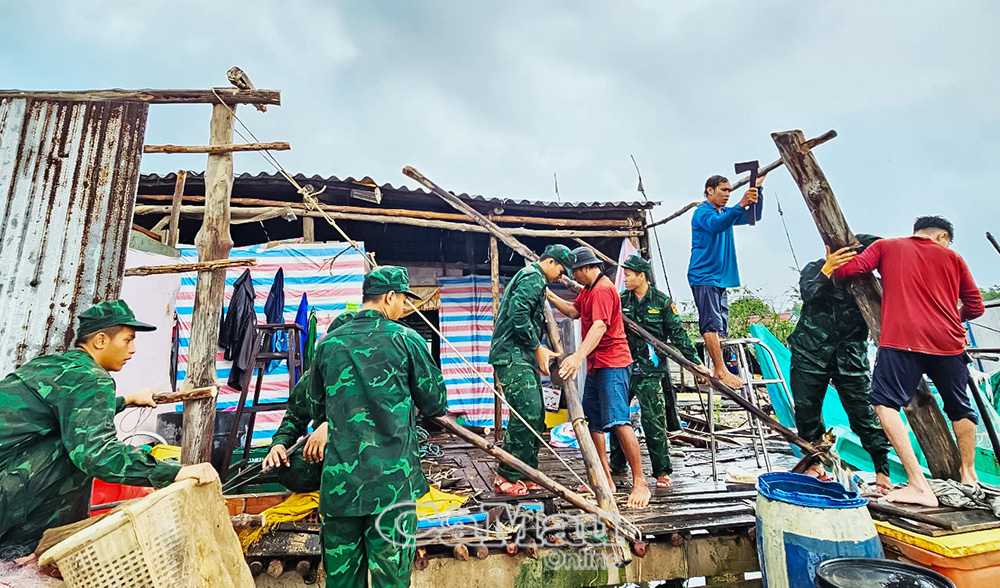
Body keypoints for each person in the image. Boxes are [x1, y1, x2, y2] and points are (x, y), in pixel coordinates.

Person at [0, 300, 218, 558]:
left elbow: (67, 412)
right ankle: (22, 551)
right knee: (77, 454)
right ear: (101, 341)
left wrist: (125, 401)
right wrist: (174, 472)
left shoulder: (52, 365)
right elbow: (96, 454)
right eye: (128, 340)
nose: (133, 349)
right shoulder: (92, 378)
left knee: (71, 440)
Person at [312, 266, 448, 587]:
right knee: (392, 582)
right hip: (392, 489)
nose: (403, 307)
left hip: (340, 489)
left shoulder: (327, 345)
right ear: (389, 297)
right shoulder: (407, 340)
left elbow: (317, 409)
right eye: (402, 299)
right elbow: (435, 404)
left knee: (342, 583)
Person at [834, 217, 985, 506]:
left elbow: (849, 271)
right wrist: (956, 318)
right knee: (960, 407)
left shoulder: (886, 246)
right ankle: (969, 473)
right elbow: (976, 306)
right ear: (942, 236)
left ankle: (918, 484)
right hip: (949, 343)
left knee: (884, 403)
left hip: (902, 340)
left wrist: (833, 257)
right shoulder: (954, 258)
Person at [546, 247, 650, 509]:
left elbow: (600, 326)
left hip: (613, 363)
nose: (574, 277)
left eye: (575, 272)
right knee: (592, 421)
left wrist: (577, 357)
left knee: (618, 420)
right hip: (596, 365)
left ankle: (640, 482)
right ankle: (603, 476)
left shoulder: (603, 289)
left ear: (585, 268)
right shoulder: (588, 290)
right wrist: (547, 295)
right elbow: (573, 312)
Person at [787, 235, 893, 492]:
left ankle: (882, 471)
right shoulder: (815, 269)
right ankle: (814, 465)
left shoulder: (870, 284)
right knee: (807, 413)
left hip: (850, 357)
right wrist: (829, 268)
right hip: (810, 353)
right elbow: (809, 294)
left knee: (865, 416)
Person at [611, 254, 710, 490]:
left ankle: (662, 472)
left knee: (654, 421)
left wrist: (694, 362)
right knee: (617, 418)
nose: (624, 278)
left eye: (628, 274)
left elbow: (678, 335)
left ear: (641, 276)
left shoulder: (662, 303)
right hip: (623, 368)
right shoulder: (620, 300)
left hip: (650, 371)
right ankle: (617, 464)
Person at [488, 245, 576, 497]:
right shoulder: (532, 277)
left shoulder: (536, 280)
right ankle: (506, 474)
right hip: (511, 354)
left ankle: (527, 470)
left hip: (522, 354)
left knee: (536, 414)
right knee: (526, 411)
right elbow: (518, 316)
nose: (561, 275)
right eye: (561, 269)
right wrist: (538, 347)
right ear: (549, 261)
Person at [263, 311, 357, 492]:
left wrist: (333, 426)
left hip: (369, 452)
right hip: (328, 452)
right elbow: (293, 419)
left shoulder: (374, 376)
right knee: (294, 470)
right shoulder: (314, 377)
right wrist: (279, 445)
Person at [687, 174, 765, 389]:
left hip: (719, 278)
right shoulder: (703, 212)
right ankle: (720, 371)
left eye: (730, 191)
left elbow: (753, 217)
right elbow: (717, 226)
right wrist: (741, 203)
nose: (727, 195)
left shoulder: (725, 212)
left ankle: (726, 368)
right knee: (711, 325)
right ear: (709, 190)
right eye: (723, 190)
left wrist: (758, 190)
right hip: (704, 276)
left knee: (721, 326)